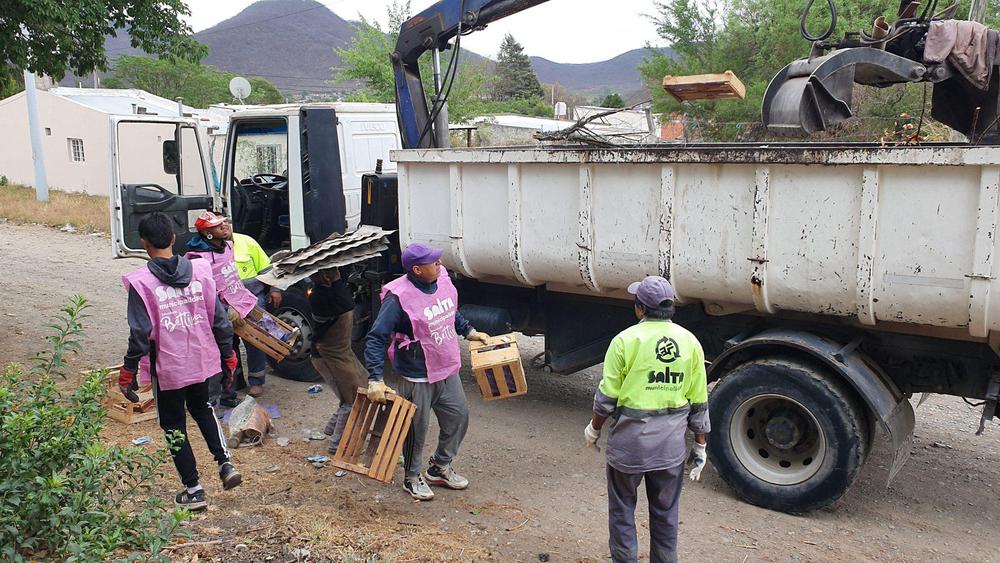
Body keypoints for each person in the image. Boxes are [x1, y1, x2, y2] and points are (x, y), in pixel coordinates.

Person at [118, 212, 243, 511]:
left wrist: (128, 370)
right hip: (201, 359)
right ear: (174, 239)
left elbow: (140, 332)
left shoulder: (142, 283)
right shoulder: (200, 271)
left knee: (173, 424)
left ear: (144, 243)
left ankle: (194, 489)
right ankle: (225, 464)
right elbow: (219, 319)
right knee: (204, 408)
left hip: (169, 366)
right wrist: (228, 353)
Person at [584, 276, 710, 563]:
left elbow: (606, 398)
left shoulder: (624, 341)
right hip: (670, 451)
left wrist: (594, 429)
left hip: (628, 449)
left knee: (622, 510)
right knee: (666, 514)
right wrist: (700, 445)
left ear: (639, 308)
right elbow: (699, 401)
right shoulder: (690, 343)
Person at [364, 243, 490, 500]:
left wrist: (469, 331)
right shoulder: (398, 297)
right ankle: (411, 477)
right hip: (416, 375)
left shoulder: (442, 280)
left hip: (446, 368)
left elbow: (448, 311)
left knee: (458, 417)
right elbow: (376, 337)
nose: (440, 265)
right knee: (415, 430)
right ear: (418, 270)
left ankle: (439, 466)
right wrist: (375, 378)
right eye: (434, 263)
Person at [186, 212, 282, 398]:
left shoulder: (238, 243)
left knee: (256, 341)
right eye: (218, 225)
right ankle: (233, 383)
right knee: (227, 345)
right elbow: (205, 288)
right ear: (207, 233)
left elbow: (266, 267)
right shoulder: (198, 258)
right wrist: (226, 308)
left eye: (225, 222)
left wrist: (275, 288)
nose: (225, 226)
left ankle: (256, 381)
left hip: (249, 298)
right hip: (221, 307)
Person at [309, 267, 369, 457]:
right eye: (334, 272)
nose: (338, 274)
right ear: (325, 276)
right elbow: (346, 304)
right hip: (327, 355)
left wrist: (336, 281)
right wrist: (336, 282)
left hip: (341, 352)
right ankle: (337, 444)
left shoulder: (328, 289)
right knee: (351, 398)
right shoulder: (319, 296)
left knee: (357, 389)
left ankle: (331, 429)